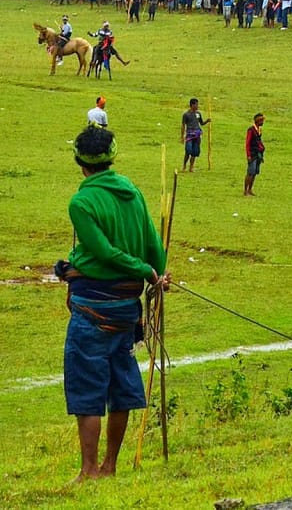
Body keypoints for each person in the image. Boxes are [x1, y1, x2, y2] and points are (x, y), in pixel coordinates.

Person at [56, 126, 168, 483]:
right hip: (125, 308)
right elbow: (153, 241)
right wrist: (156, 273)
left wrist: (144, 270)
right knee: (121, 384)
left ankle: (89, 470)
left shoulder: (81, 203)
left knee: (88, 387)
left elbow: (103, 251)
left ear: (79, 163)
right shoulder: (132, 191)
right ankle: (111, 467)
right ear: (112, 158)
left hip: (93, 309)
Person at [180, 97, 209, 172]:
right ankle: (184, 166)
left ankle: (191, 167)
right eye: (196, 104)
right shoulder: (186, 114)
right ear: (192, 105)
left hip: (197, 135)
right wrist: (182, 136)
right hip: (189, 134)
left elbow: (201, 123)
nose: (197, 106)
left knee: (195, 151)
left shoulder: (198, 114)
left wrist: (207, 121)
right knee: (188, 150)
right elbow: (183, 125)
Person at [243, 113, 265, 196]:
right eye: (261, 120)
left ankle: (250, 189)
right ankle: (245, 190)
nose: (262, 122)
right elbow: (247, 143)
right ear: (257, 121)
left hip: (258, 153)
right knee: (250, 172)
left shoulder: (259, 130)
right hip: (252, 154)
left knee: (255, 172)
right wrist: (248, 155)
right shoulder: (251, 130)